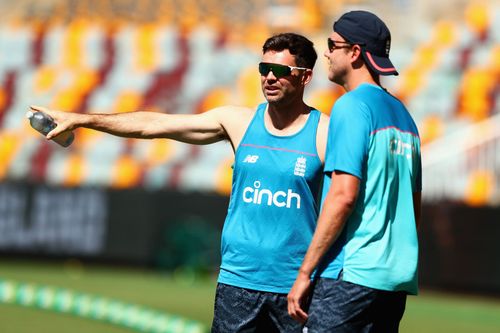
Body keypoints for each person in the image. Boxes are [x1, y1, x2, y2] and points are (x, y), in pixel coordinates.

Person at [31, 32, 329, 332]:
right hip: (237, 283)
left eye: (280, 71)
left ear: (305, 77)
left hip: (295, 287)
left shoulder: (325, 132)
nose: (269, 78)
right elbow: (155, 125)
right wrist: (83, 119)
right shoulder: (239, 122)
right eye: (264, 69)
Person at [287, 10, 422, 332]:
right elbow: (413, 207)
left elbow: (343, 195)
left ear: (355, 52)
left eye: (333, 44)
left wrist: (305, 272)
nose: (327, 53)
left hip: (353, 272)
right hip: (394, 278)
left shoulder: (351, 106)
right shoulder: (405, 116)